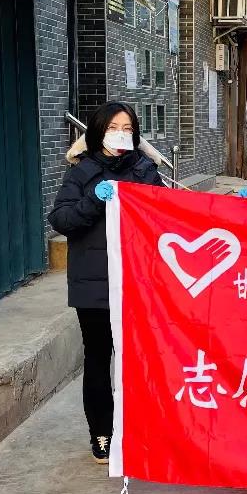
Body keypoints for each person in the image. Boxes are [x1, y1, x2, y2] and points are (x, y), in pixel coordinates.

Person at [48, 102, 164, 464]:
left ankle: (142, 430)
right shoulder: (82, 172)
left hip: (138, 282)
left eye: (127, 128)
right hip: (94, 284)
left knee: (140, 358)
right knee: (99, 358)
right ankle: (102, 432)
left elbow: (171, 213)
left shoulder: (145, 171)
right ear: (98, 132)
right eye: (113, 127)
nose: (120, 134)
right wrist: (92, 200)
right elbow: (61, 219)